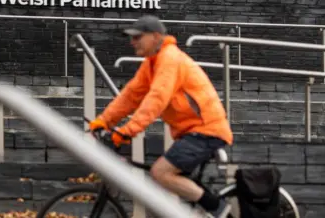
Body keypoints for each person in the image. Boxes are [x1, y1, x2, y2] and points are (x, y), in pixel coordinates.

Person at [89, 15, 234, 218]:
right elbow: (130, 96)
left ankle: (219, 209)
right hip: (188, 132)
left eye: (138, 37)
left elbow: (157, 99)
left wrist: (126, 132)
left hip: (205, 130)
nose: (132, 42)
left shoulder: (170, 59)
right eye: (132, 38)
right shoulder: (151, 63)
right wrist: (103, 121)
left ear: (156, 37)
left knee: (161, 172)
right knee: (165, 186)